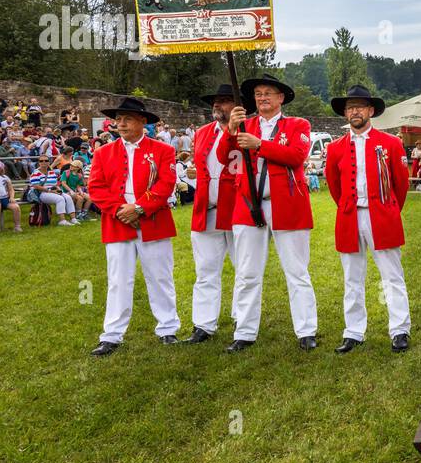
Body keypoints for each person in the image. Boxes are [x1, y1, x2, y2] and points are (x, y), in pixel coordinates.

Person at [218, 76, 318, 352]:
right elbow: (222, 158)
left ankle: (306, 329)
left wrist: (259, 144)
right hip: (249, 205)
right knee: (247, 272)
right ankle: (245, 331)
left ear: (280, 98)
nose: (262, 98)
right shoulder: (245, 124)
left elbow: (296, 156)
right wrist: (230, 131)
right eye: (258, 94)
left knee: (296, 271)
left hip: (286, 203)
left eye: (268, 93)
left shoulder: (298, 125)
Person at [87, 96, 180, 356]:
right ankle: (112, 335)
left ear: (142, 122)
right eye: (118, 119)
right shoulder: (103, 152)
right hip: (117, 222)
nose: (121, 124)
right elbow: (95, 186)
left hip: (153, 220)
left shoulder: (163, 150)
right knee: (118, 280)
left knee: (160, 276)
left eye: (127, 119)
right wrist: (120, 210)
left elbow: (166, 184)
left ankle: (168, 328)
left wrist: (139, 208)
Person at [326, 85, 412, 354]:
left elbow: (401, 185)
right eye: (350, 107)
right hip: (350, 217)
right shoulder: (335, 148)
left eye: (360, 107)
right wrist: (349, 207)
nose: (355, 111)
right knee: (352, 277)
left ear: (371, 110)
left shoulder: (390, 143)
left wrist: (387, 210)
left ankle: (399, 329)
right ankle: (353, 332)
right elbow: (334, 186)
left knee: (391, 276)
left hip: (382, 216)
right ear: (345, 113)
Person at [184, 84, 239, 345]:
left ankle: (244, 319)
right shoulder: (203, 133)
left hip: (238, 209)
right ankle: (204, 324)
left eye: (225, 101)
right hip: (206, 209)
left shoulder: (248, 131)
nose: (217, 105)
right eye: (215, 101)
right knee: (205, 270)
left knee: (244, 269)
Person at [28, 155, 78, 226]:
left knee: (67, 197)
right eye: (41, 161)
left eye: (46, 160)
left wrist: (59, 190)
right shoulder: (35, 173)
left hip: (53, 191)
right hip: (42, 193)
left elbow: (55, 184)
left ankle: (73, 219)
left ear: (49, 162)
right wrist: (49, 190)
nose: (44, 162)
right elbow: (36, 186)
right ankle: (62, 220)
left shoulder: (51, 172)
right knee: (60, 199)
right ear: (38, 162)